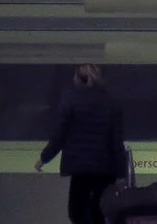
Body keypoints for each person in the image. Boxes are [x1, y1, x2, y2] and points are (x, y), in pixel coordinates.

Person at [38, 63, 127, 224]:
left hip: (80, 169)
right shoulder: (112, 102)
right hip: (105, 169)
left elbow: (59, 135)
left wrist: (44, 158)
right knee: (100, 212)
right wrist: (122, 174)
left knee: (77, 212)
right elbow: (117, 142)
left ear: (79, 79)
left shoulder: (71, 100)